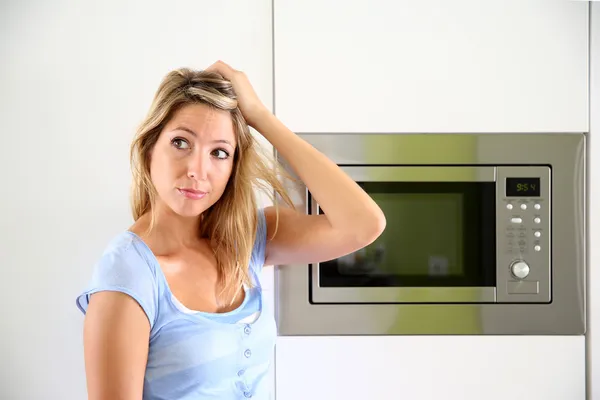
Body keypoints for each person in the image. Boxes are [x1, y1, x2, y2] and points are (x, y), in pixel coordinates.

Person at [76, 60, 386, 400]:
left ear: (232, 167)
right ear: (150, 147)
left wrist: (261, 118)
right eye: (181, 143)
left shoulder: (247, 238)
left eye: (219, 152)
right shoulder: (129, 273)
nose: (198, 169)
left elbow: (363, 224)